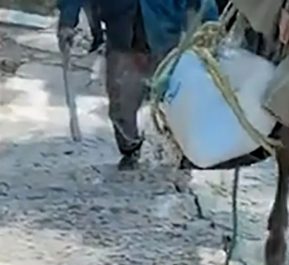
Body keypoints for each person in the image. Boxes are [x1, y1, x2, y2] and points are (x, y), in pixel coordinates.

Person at [56, 0, 219, 169]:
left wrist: (212, 25)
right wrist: (67, 21)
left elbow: (204, 5)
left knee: (175, 100)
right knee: (120, 109)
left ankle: (178, 154)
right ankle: (131, 152)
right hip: (121, 33)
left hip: (165, 33)